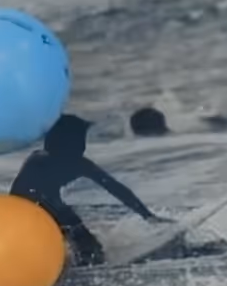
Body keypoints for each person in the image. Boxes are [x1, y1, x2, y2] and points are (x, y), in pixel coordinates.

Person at [9, 114, 162, 267]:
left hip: (53, 207)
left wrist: (147, 215)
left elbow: (115, 188)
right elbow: (20, 194)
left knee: (90, 247)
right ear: (60, 142)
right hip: (25, 211)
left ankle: (86, 263)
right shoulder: (37, 162)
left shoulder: (79, 164)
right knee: (71, 227)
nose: (82, 145)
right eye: (78, 139)